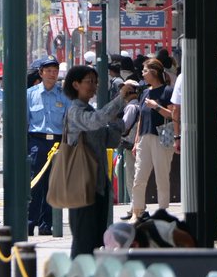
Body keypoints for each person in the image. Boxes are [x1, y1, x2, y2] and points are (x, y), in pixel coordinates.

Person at [63, 65, 137, 256]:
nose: (94, 86)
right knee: (83, 242)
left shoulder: (90, 109)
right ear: (75, 84)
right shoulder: (75, 111)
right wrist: (119, 100)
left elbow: (109, 139)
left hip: (99, 185)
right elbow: (95, 121)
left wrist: (123, 113)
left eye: (95, 82)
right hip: (81, 187)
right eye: (89, 81)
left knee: (97, 241)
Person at [124, 57, 175, 221]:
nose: (143, 74)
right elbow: (140, 119)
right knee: (139, 176)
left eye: (145, 71)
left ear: (154, 72)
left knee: (162, 176)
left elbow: (174, 115)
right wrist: (137, 140)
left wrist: (157, 107)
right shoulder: (144, 92)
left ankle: (163, 212)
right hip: (144, 136)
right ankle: (137, 211)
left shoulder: (168, 91)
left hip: (162, 135)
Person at [27, 56, 66, 236]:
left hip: (57, 143)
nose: (52, 74)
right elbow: (25, 122)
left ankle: (46, 224)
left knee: (53, 185)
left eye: (55, 71)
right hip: (36, 142)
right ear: (41, 73)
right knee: (35, 183)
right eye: (48, 71)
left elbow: (70, 121)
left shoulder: (64, 96)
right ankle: (30, 221)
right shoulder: (30, 94)